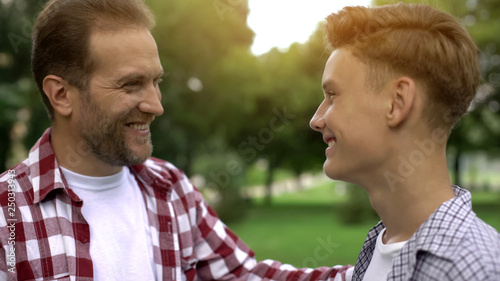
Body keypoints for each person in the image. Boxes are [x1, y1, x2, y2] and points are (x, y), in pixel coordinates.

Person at [0, 0, 353, 280]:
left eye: (157, 82)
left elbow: (247, 276)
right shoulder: (7, 216)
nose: (156, 106)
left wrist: (381, 267)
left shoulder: (171, 189)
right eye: (131, 84)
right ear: (61, 95)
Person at [309, 3, 500, 281]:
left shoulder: (476, 270)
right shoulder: (382, 247)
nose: (316, 119)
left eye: (333, 95)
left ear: (396, 102)